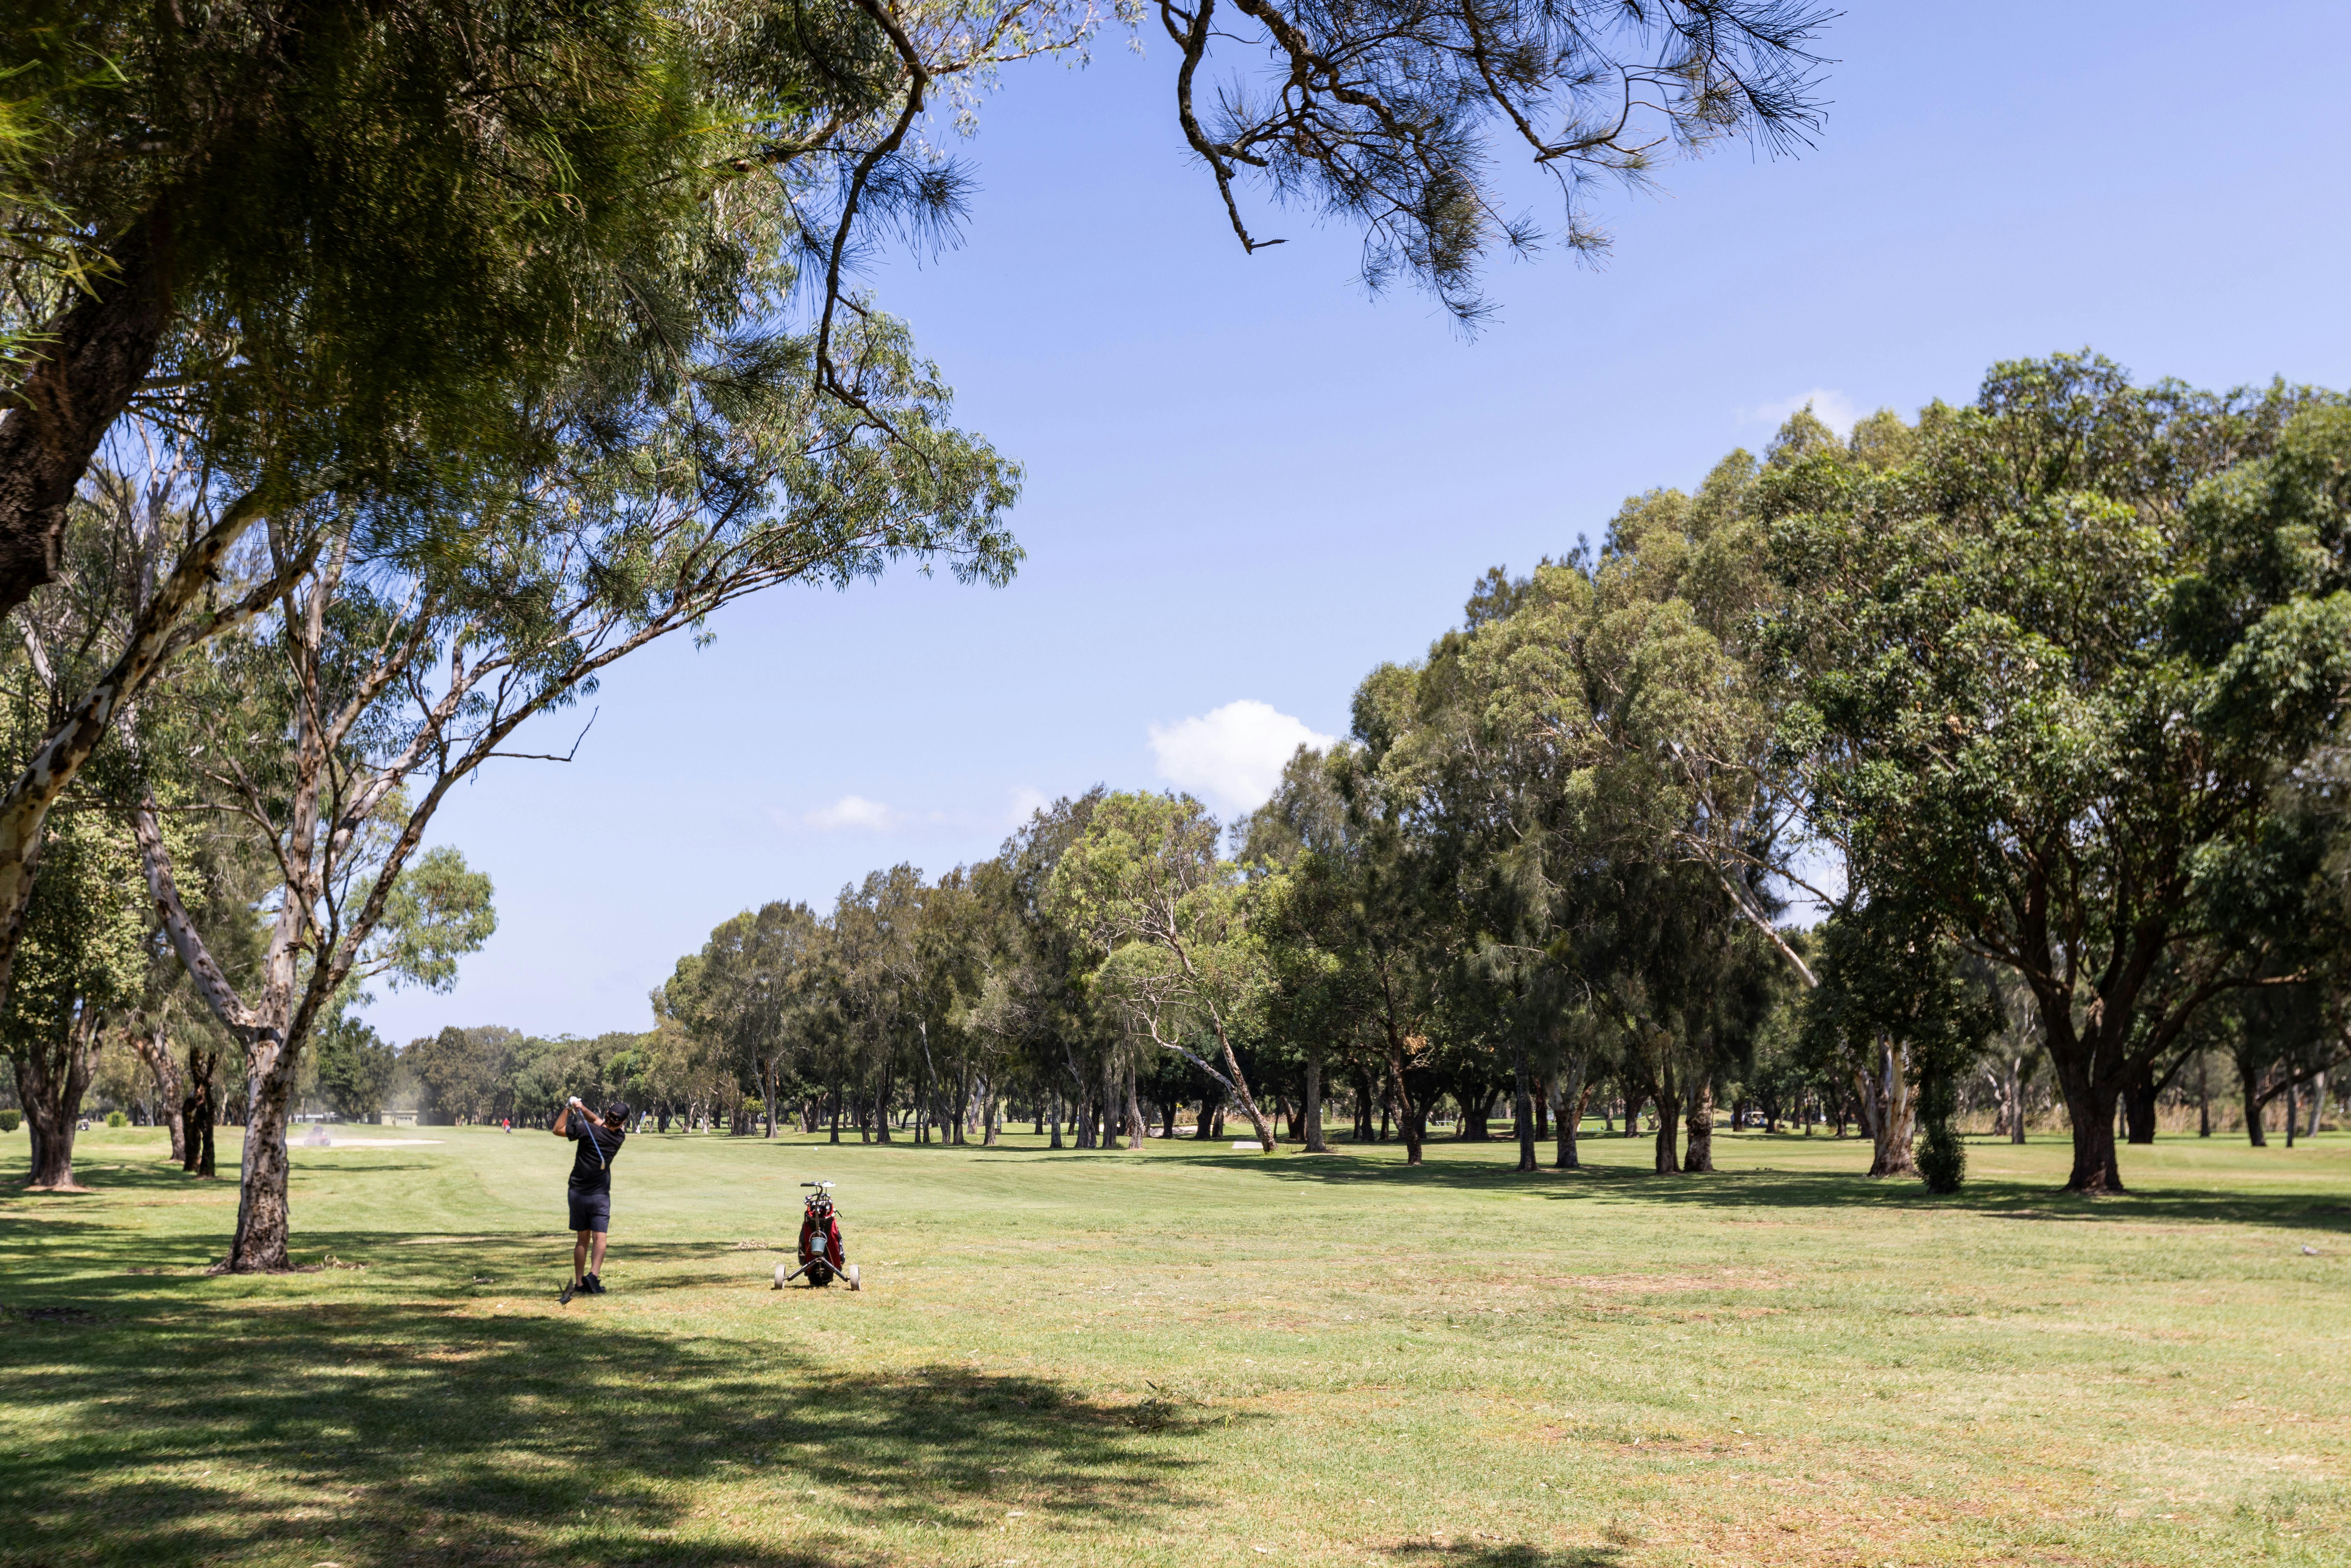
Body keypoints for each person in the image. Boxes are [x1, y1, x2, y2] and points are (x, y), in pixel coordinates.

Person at [552, 1096, 629, 1303]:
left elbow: (558, 1130)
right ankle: (593, 1277)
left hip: (578, 1193)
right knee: (600, 1238)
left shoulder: (587, 1131)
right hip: (600, 1196)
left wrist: (569, 1109)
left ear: (607, 1114)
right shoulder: (620, 1138)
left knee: (582, 1240)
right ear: (622, 1123)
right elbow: (600, 1123)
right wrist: (583, 1108)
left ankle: (579, 1284)